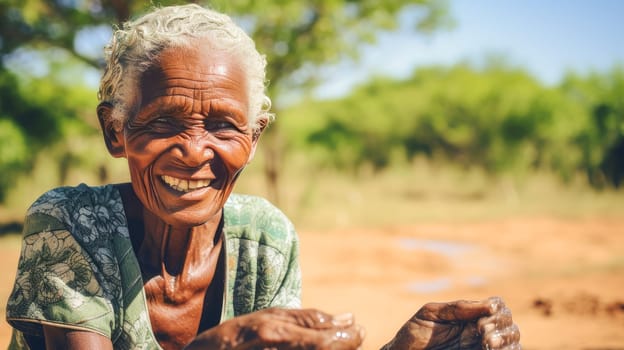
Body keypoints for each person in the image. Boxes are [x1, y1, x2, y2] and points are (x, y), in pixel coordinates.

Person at [5, 4, 521, 350]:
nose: (193, 150)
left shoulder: (264, 239)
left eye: (225, 126)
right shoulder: (69, 222)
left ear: (254, 137)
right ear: (115, 131)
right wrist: (225, 343)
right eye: (163, 122)